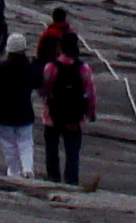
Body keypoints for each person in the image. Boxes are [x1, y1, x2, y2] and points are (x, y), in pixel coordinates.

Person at [40, 32, 96, 187]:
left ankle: (53, 178)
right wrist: (91, 113)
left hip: (52, 116)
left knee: (51, 150)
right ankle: (71, 181)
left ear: (60, 47)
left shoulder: (51, 67)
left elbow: (44, 89)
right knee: (72, 153)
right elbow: (90, 93)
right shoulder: (83, 69)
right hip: (75, 118)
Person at [0, 32, 41, 179]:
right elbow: (38, 82)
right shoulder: (29, 68)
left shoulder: (1, 69)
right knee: (26, 142)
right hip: (24, 112)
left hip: (4, 115)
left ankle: (14, 172)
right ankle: (28, 169)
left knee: (8, 145)